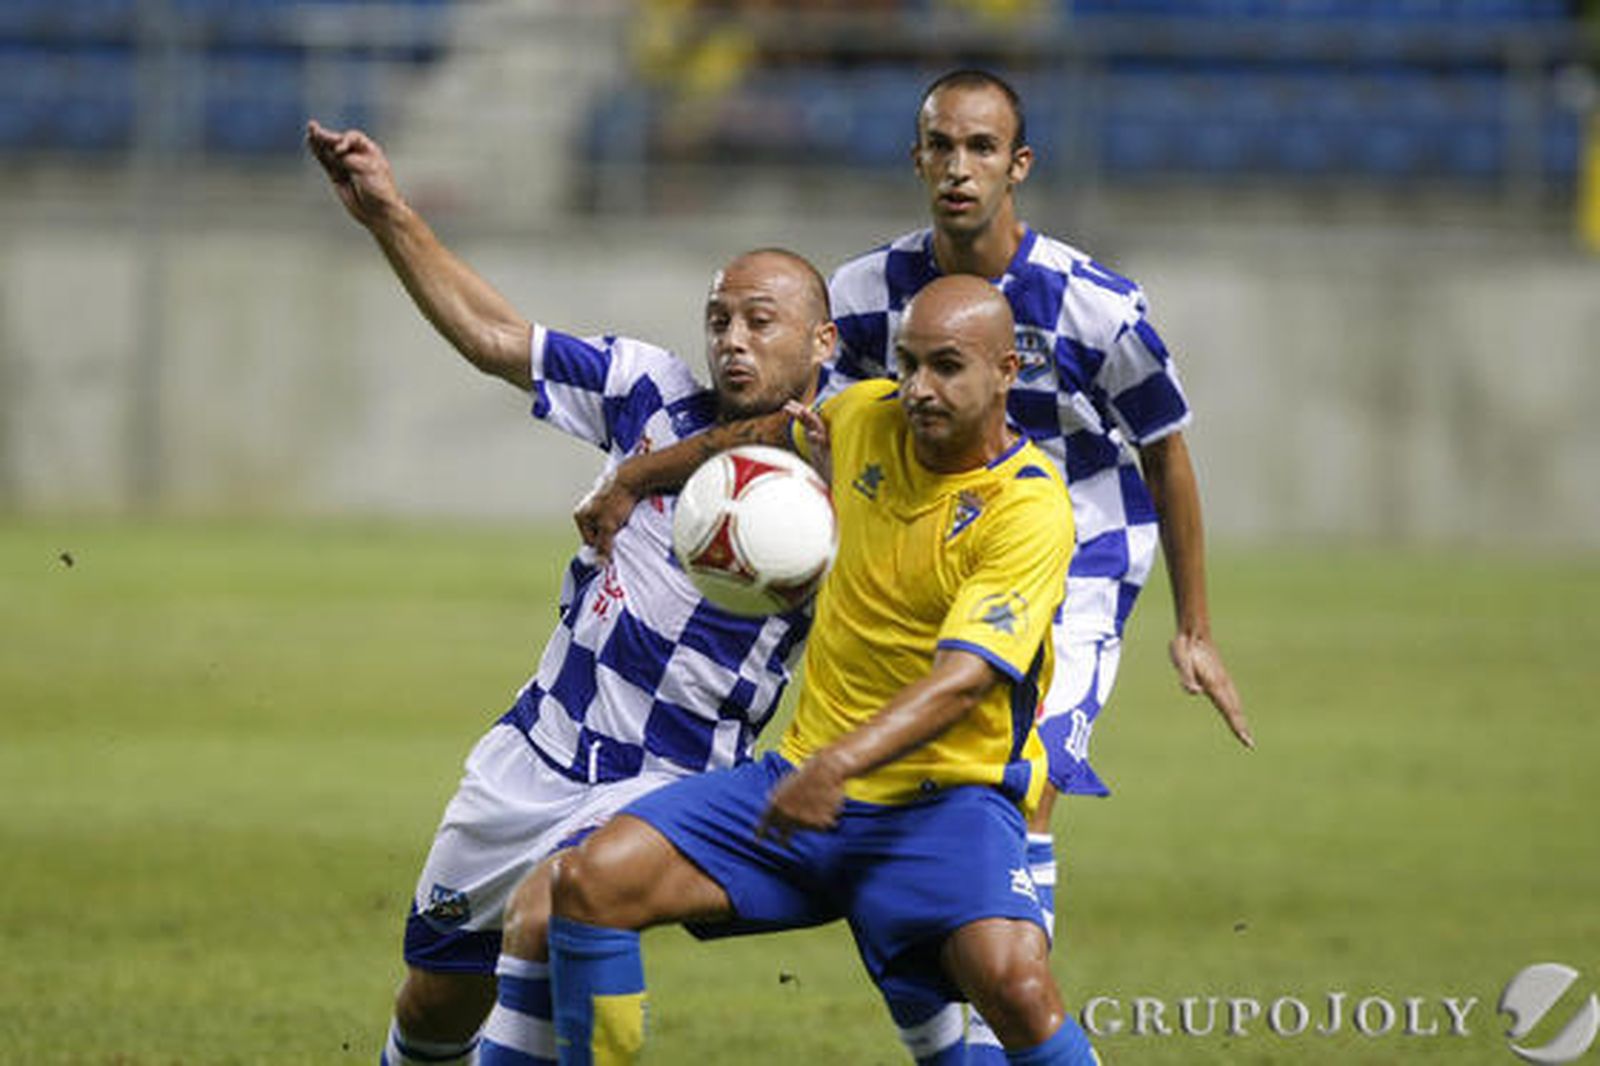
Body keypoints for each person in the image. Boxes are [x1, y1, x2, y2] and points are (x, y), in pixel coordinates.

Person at [576, 66, 1252, 1063]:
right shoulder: (865, 294)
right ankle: (950, 1022)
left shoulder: (1096, 306)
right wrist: (658, 479)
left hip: (1072, 544)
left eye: (981, 148)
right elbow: (815, 422)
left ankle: (1003, 1003)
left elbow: (1165, 450)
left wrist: (1193, 627)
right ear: (917, 159)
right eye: (942, 146)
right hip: (913, 527)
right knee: (880, 784)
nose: (959, 168)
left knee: (1022, 774)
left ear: (1019, 165)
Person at [306, 119, 836, 1066]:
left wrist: (640, 477)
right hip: (535, 752)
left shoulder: (842, 465)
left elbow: (801, 442)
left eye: (761, 322)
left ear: (822, 340)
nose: (733, 341)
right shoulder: (647, 390)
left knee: (557, 906)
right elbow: (495, 337)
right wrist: (388, 214)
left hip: (668, 783)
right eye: (719, 320)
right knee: (436, 1001)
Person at [544, 275, 1099, 1066]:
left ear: (1007, 370)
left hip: (944, 805)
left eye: (946, 366)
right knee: (590, 882)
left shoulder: (1028, 507)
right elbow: (763, 434)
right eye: (908, 363)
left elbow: (964, 681)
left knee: (1016, 988)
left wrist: (838, 765)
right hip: (801, 789)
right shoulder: (863, 415)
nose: (918, 388)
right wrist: (633, 478)